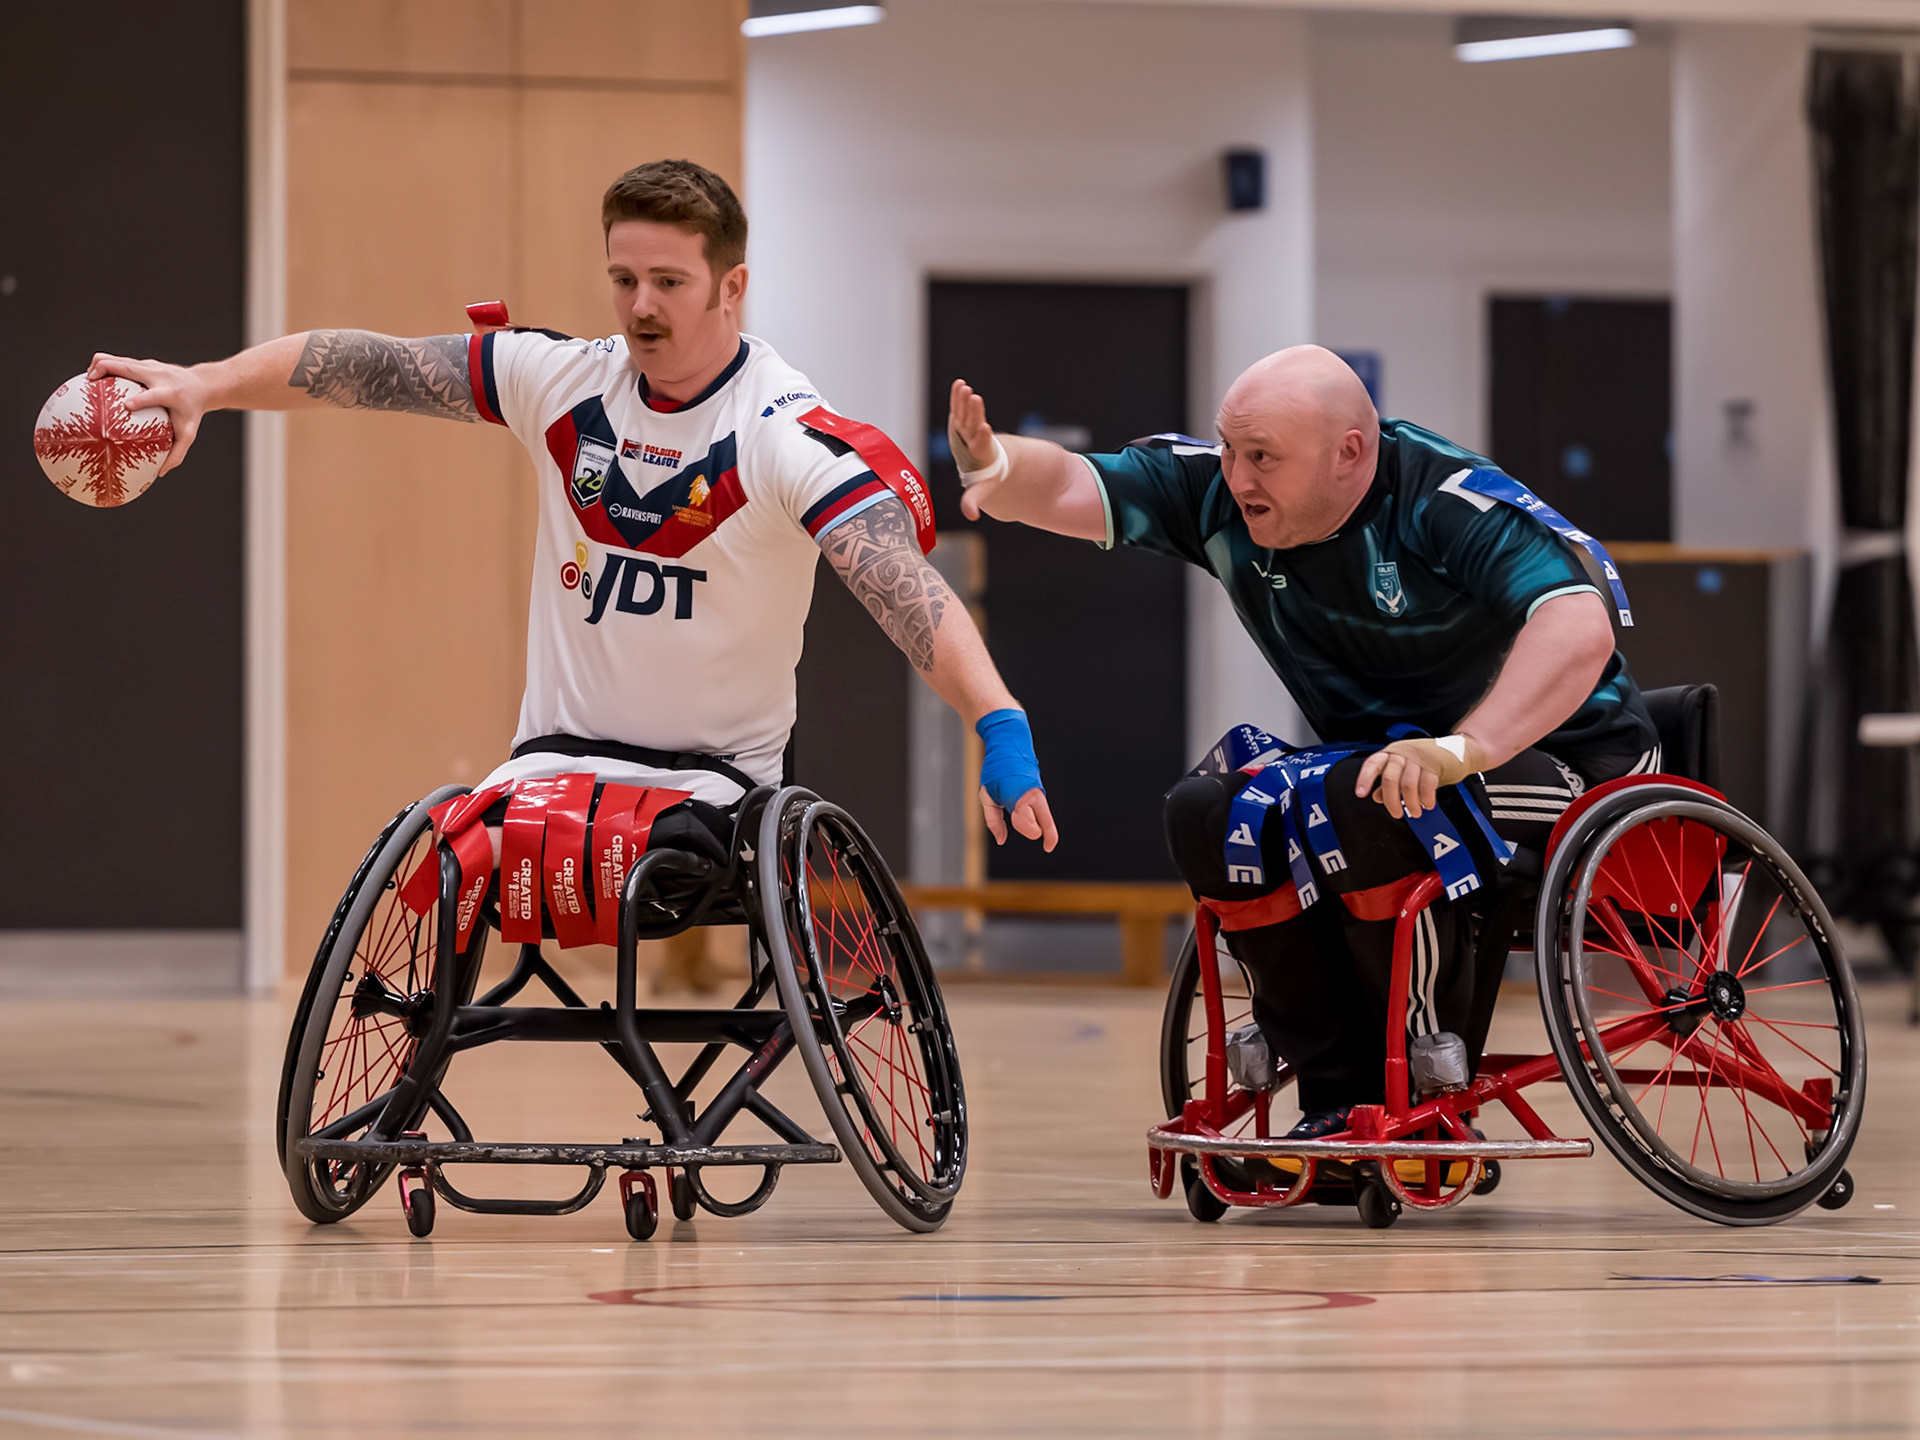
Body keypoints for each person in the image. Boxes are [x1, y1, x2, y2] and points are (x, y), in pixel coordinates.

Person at [88, 159, 1057, 929]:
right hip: (548, 770)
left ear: (734, 287)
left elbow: (903, 588)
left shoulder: (783, 432)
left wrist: (998, 722)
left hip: (712, 796)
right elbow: (370, 365)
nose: (640, 306)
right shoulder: (562, 381)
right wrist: (208, 385)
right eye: (624, 278)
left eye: (669, 282)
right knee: (432, 852)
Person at [946, 344, 1655, 1138]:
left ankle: (1416, 1086)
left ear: (1349, 453)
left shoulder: (1443, 499)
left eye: (1263, 458)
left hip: (1576, 764)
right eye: (1228, 449)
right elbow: (1080, 481)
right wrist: (999, 464)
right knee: (1208, 809)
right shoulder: (1221, 493)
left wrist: (1462, 749)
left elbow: (1579, 622)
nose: (1237, 477)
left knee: (1379, 801)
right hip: (1376, 766)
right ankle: (1333, 1086)